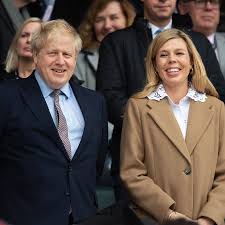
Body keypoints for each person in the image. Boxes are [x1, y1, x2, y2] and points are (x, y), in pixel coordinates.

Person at [96, 0, 225, 202]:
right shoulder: (117, 42)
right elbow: (109, 99)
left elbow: (216, 94)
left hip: (198, 165)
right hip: (140, 163)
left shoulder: (198, 41)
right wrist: (161, 132)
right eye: (163, 55)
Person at [0, 19, 108, 225]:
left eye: (67, 54)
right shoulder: (7, 96)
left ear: (75, 59)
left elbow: (95, 162)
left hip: (82, 216)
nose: (60, 61)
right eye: (52, 53)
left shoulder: (95, 102)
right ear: (35, 55)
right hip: (21, 218)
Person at [120, 28, 225, 225]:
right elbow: (132, 172)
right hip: (157, 220)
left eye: (179, 53)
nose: (172, 60)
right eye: (163, 55)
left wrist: (208, 219)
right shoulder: (138, 107)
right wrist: (168, 215)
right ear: (154, 64)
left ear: (192, 62)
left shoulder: (217, 108)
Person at [75, 0, 135, 90]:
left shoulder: (145, 53)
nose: (107, 25)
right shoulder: (78, 61)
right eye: (99, 20)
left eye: (114, 17)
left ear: (128, 20)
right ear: (92, 26)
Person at [177, 0, 225, 78]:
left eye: (214, 2)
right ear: (185, 7)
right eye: (200, 1)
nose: (208, 7)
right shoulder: (176, 42)